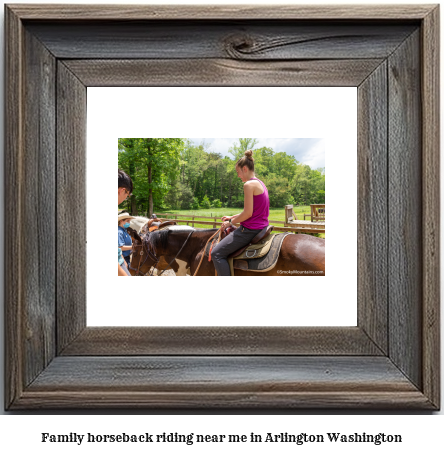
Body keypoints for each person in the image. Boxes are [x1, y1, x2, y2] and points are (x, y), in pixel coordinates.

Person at [211, 149, 269, 276]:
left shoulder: (248, 185)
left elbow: (248, 214)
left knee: (216, 253)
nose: (238, 175)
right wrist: (232, 217)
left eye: (238, 172)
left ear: (244, 169)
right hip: (262, 227)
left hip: (250, 230)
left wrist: (230, 222)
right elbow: (254, 212)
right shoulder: (260, 183)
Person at [118, 169, 133, 276]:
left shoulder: (124, 230)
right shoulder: (119, 231)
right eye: (127, 195)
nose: (125, 198)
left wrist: (121, 258)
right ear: (122, 190)